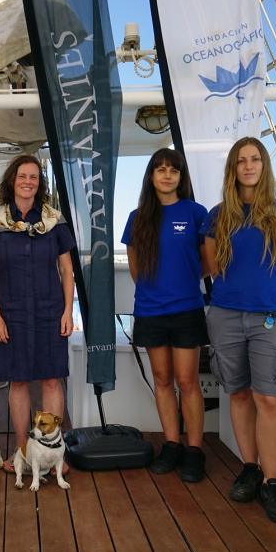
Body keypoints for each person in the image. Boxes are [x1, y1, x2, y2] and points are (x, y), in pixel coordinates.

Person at [199, 136, 276, 524]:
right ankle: (250, 467)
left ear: (263, 166)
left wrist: (275, 299)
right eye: (241, 160)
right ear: (233, 168)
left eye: (255, 159)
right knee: (239, 395)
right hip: (225, 317)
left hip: (269, 319)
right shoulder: (217, 215)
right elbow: (210, 268)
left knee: (269, 399)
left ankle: (271, 482)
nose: (248, 165)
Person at [0, 155, 75, 473]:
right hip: (12, 313)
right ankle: (22, 453)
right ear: (12, 180)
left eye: (34, 177)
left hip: (49, 312)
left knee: (51, 380)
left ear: (39, 183)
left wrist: (66, 311)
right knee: (18, 382)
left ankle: (53, 456)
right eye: (23, 176)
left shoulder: (55, 220)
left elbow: (66, 270)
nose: (28, 181)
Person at [120, 148, 210, 482]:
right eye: (160, 169)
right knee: (162, 381)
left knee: (187, 381)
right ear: (151, 176)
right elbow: (135, 266)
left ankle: (194, 450)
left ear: (181, 176)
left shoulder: (197, 213)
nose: (167, 175)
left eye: (173, 170)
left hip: (187, 309)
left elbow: (209, 261)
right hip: (150, 310)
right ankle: (172, 445)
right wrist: (156, 290)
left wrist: (184, 282)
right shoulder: (138, 216)